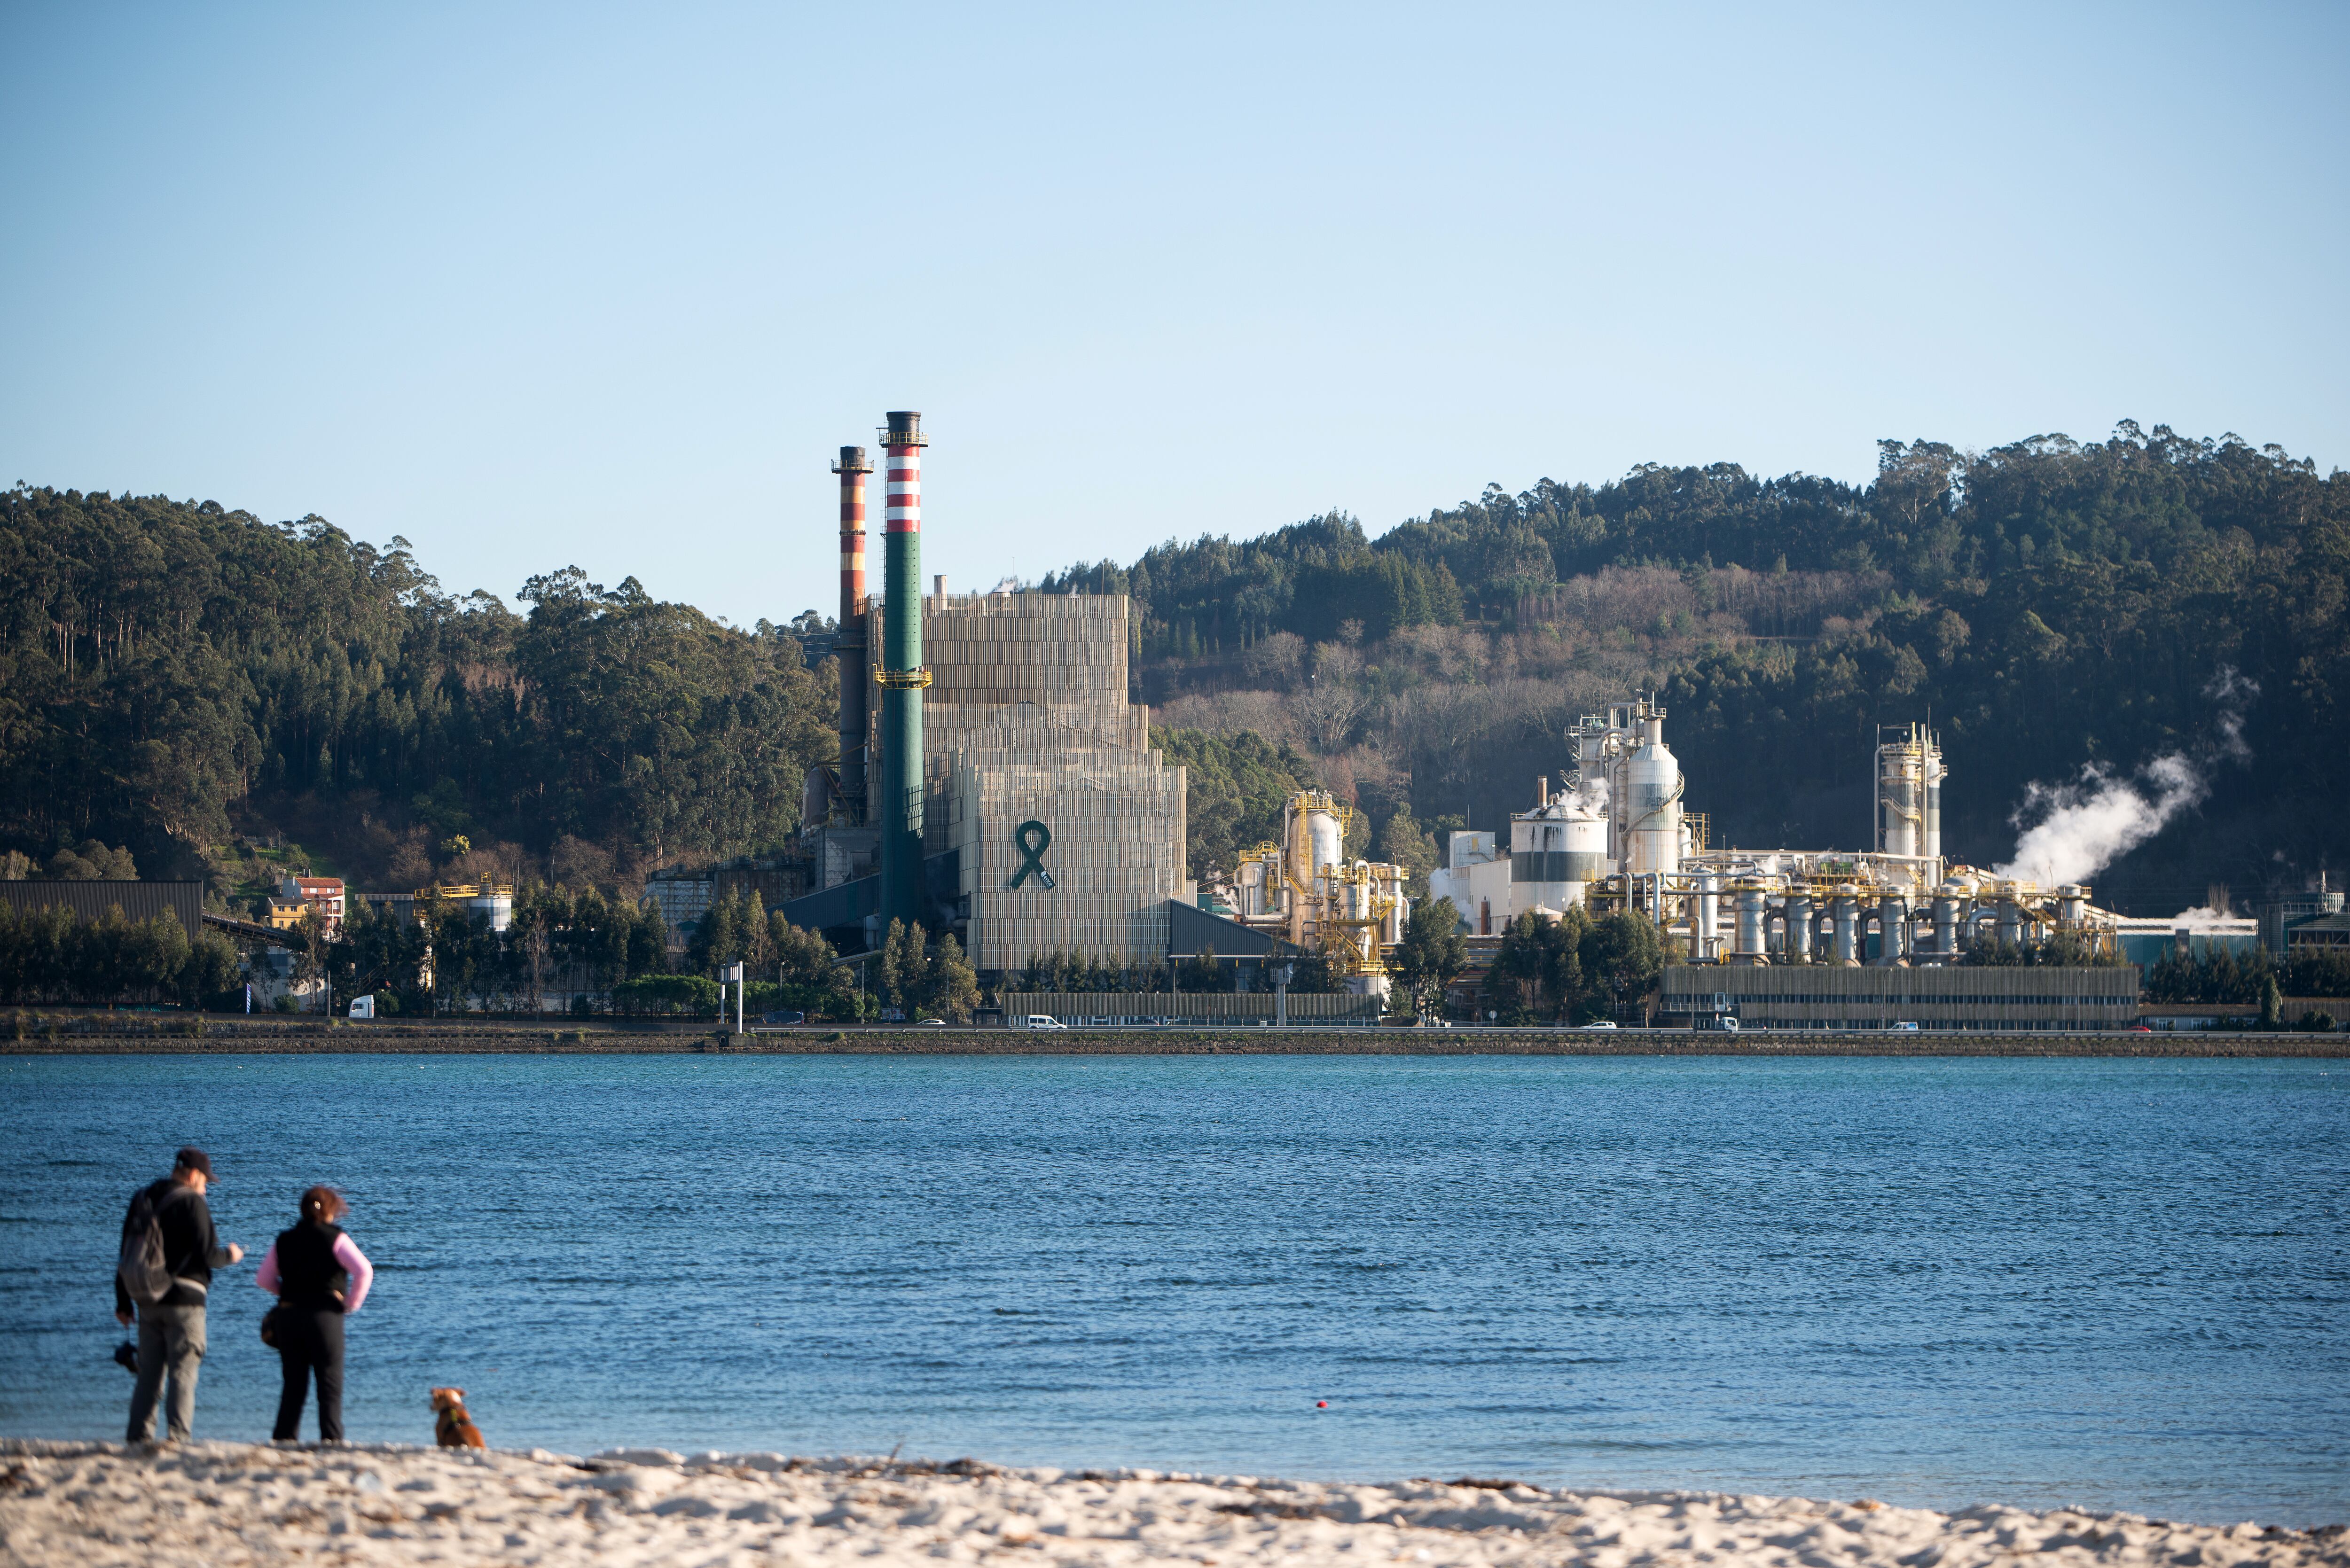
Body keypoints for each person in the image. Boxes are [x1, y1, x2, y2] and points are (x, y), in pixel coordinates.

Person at [115, 1147, 244, 1444]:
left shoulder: (143, 1198)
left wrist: (123, 1302)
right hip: (186, 1302)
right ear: (195, 1175)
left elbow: (127, 1254)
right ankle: (178, 1440)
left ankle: (138, 1439)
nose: (206, 1190)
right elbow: (209, 1255)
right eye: (205, 1183)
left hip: (148, 1301)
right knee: (183, 1373)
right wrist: (232, 1255)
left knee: (148, 1377)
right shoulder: (192, 1203)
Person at [255, 1185, 374, 1443]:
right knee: (329, 1386)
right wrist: (350, 1305)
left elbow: (263, 1279)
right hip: (325, 1317)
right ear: (332, 1210)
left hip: (289, 1317)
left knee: (293, 1386)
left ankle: (284, 1442)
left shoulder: (284, 1239)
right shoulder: (336, 1238)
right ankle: (331, 1442)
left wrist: (287, 1294)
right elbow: (364, 1271)